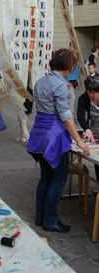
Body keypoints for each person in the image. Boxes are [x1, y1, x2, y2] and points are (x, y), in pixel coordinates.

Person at [27, 49, 89, 233]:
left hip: (39, 132)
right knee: (58, 179)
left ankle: (40, 217)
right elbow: (66, 117)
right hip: (53, 136)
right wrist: (79, 140)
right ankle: (51, 220)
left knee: (45, 177)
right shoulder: (60, 85)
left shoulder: (41, 82)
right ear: (69, 66)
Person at [77, 74, 99, 186]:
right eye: (90, 92)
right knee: (97, 162)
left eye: (96, 92)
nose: (94, 96)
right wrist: (87, 129)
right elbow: (80, 115)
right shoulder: (84, 98)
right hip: (95, 132)